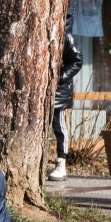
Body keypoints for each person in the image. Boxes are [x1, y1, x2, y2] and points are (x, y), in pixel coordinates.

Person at [48, 12, 83, 182]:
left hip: (58, 91)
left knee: (59, 127)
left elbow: (77, 60)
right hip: (41, 91)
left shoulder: (66, 36)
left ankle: (61, 164)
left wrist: (60, 78)